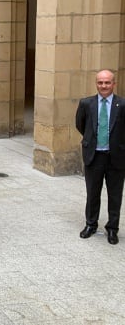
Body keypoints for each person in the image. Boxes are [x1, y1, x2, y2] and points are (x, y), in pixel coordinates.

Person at [75, 69, 125, 245]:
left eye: (107, 82)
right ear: (96, 83)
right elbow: (80, 125)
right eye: (100, 82)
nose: (104, 86)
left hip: (116, 158)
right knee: (93, 193)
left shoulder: (122, 104)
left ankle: (112, 228)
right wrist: (91, 140)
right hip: (94, 156)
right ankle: (91, 224)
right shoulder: (86, 104)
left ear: (114, 84)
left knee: (115, 195)